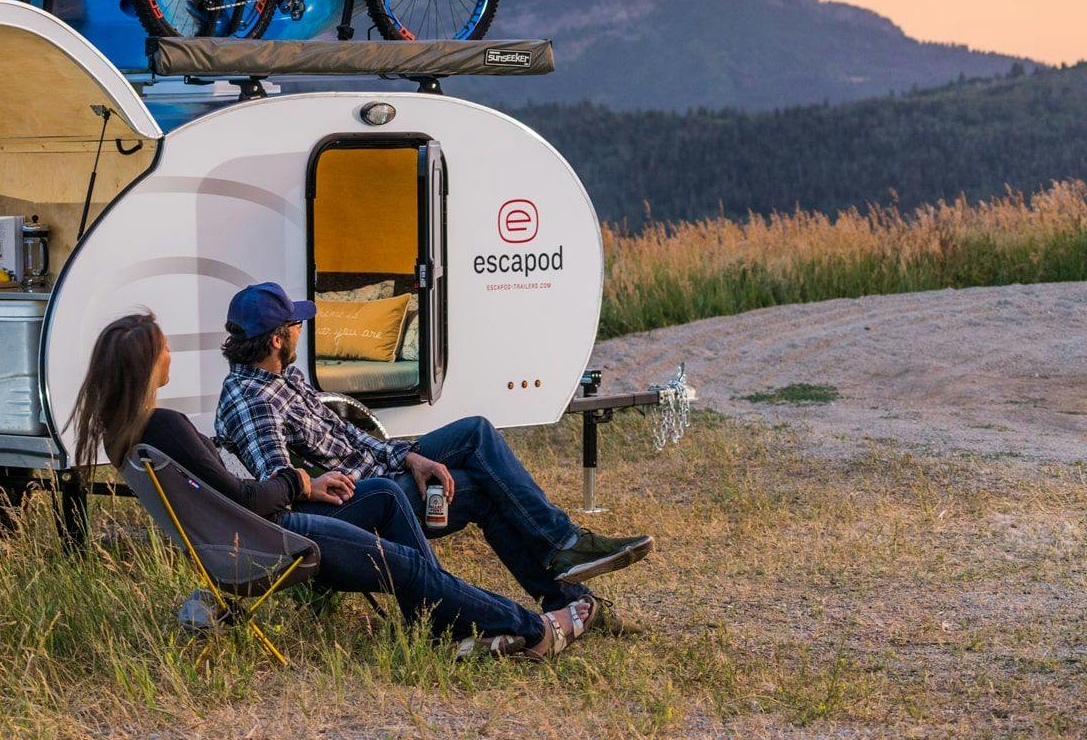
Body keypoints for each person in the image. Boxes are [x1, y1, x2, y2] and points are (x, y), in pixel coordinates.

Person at [70, 312, 591, 659]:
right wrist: (299, 481)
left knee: (390, 497)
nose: (169, 355)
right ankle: (535, 629)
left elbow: (232, 492)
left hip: (247, 534)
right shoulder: (166, 427)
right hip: (272, 536)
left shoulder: (131, 436)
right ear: (146, 364)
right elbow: (246, 498)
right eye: (162, 348)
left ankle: (446, 630)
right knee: (408, 559)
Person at [213, 282, 653, 634]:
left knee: (475, 437)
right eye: (295, 325)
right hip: (357, 502)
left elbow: (348, 435)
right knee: (478, 471)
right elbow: (277, 484)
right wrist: (316, 481)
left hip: (379, 470)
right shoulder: (253, 400)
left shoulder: (281, 376)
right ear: (276, 339)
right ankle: (561, 570)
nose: (301, 329)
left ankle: (563, 565)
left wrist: (408, 457)